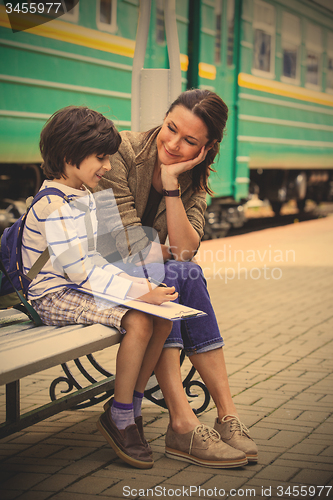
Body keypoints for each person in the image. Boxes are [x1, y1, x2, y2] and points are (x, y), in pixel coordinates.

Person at [97, 89, 258, 464]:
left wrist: (171, 184)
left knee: (183, 271)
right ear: (164, 117)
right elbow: (125, 245)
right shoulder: (120, 151)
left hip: (148, 278)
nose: (172, 144)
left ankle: (224, 416)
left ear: (208, 147)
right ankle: (184, 421)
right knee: (178, 274)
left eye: (190, 141)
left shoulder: (192, 178)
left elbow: (185, 249)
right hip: (99, 274)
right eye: (170, 128)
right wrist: (163, 251)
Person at [21, 106, 181, 470]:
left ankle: (132, 403)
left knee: (163, 320)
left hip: (77, 285)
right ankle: (120, 417)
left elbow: (99, 260)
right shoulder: (54, 206)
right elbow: (81, 272)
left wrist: (138, 283)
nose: (108, 166)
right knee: (140, 321)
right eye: (101, 158)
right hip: (52, 295)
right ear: (68, 157)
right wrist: (137, 292)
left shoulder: (83, 196)